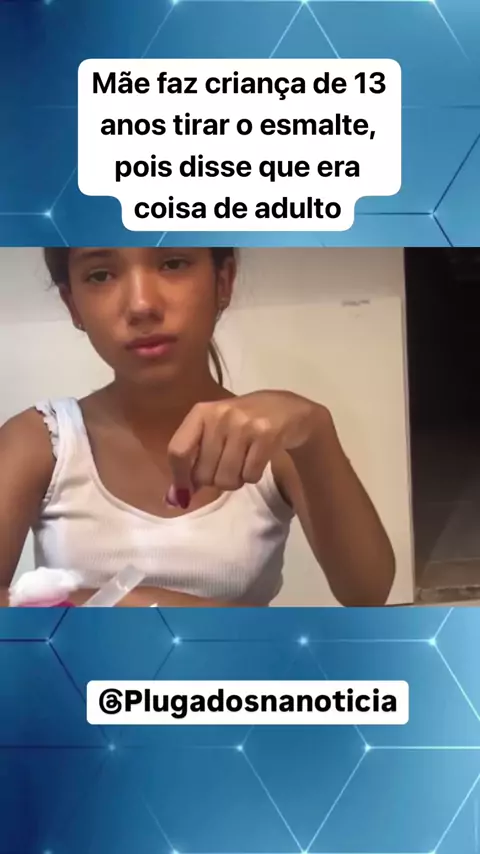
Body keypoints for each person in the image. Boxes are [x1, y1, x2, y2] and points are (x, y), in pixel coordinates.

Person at [0, 247, 395, 607]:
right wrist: (128, 605)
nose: (141, 305)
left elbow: (367, 594)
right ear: (73, 305)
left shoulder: (273, 438)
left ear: (223, 281)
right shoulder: (40, 440)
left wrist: (315, 431)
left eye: (173, 263)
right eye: (101, 275)